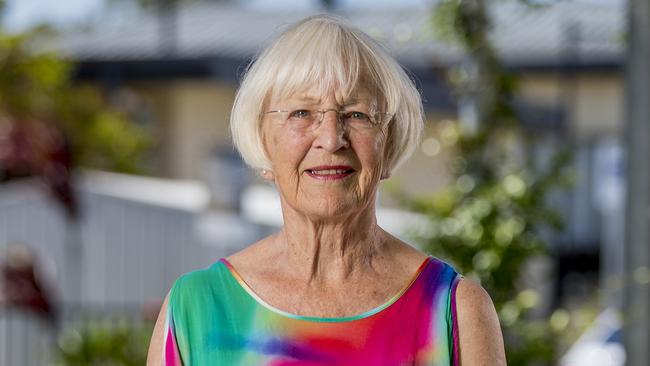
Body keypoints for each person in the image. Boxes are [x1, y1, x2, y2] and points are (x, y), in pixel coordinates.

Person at [147, 15, 505, 365]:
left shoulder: (455, 311)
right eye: (302, 113)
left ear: (389, 141)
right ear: (263, 141)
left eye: (357, 114)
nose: (332, 139)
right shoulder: (194, 310)